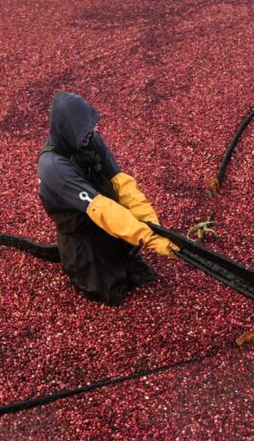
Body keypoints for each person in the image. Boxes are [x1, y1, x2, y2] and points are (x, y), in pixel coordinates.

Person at [37, 92, 177, 307]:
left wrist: (151, 224)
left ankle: (121, 253)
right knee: (108, 290)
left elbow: (121, 182)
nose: (90, 134)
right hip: (82, 231)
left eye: (90, 128)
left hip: (107, 217)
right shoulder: (53, 165)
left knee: (137, 272)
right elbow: (99, 208)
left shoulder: (92, 141)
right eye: (83, 130)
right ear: (67, 129)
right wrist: (146, 237)